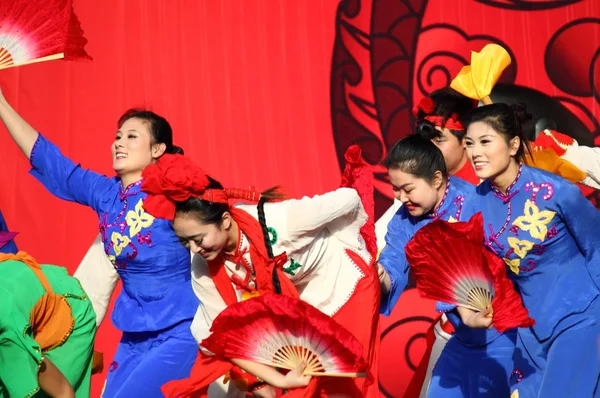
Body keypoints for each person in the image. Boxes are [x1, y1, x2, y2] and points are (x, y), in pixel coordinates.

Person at [0, 89, 198, 398]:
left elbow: (218, 226)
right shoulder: (106, 195)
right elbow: (52, 163)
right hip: (135, 334)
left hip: (181, 328)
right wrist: (1, 104)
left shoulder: (177, 193)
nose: (119, 142)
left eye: (132, 137)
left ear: (158, 149)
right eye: (118, 136)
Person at [137, 147, 381, 397]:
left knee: (344, 389)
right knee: (301, 390)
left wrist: (357, 245)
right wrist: (269, 382)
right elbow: (225, 339)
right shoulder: (203, 266)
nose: (194, 248)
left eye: (197, 238)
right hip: (301, 306)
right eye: (185, 241)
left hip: (345, 283)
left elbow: (349, 198)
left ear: (225, 221)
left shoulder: (280, 221)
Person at [461, 103, 600, 397]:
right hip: (528, 331)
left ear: (513, 145)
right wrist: (467, 311)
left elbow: (597, 246)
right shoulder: (473, 205)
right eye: (469, 143)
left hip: (580, 314)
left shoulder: (555, 191)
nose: (475, 152)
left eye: (485, 142)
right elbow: (466, 270)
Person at [376, 134, 516, 397]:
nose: (401, 198)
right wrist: (378, 276)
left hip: (507, 335)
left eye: (408, 189)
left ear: (437, 179)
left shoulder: (476, 203)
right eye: (396, 189)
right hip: (463, 339)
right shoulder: (404, 222)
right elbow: (392, 264)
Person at [0, 251, 96, 398]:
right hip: (23, 305)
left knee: (36, 392)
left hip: (68, 310)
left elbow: (63, 393)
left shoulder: (8, 329)